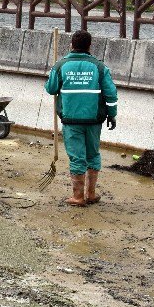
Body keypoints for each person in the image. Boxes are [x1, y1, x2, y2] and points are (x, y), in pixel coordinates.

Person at [44, 30, 119, 207]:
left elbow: (51, 89)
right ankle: (90, 194)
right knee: (93, 154)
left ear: (72, 45)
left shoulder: (60, 65)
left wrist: (52, 74)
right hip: (94, 120)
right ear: (89, 46)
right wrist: (112, 114)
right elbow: (111, 93)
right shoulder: (100, 67)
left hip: (71, 120)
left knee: (77, 157)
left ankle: (78, 197)